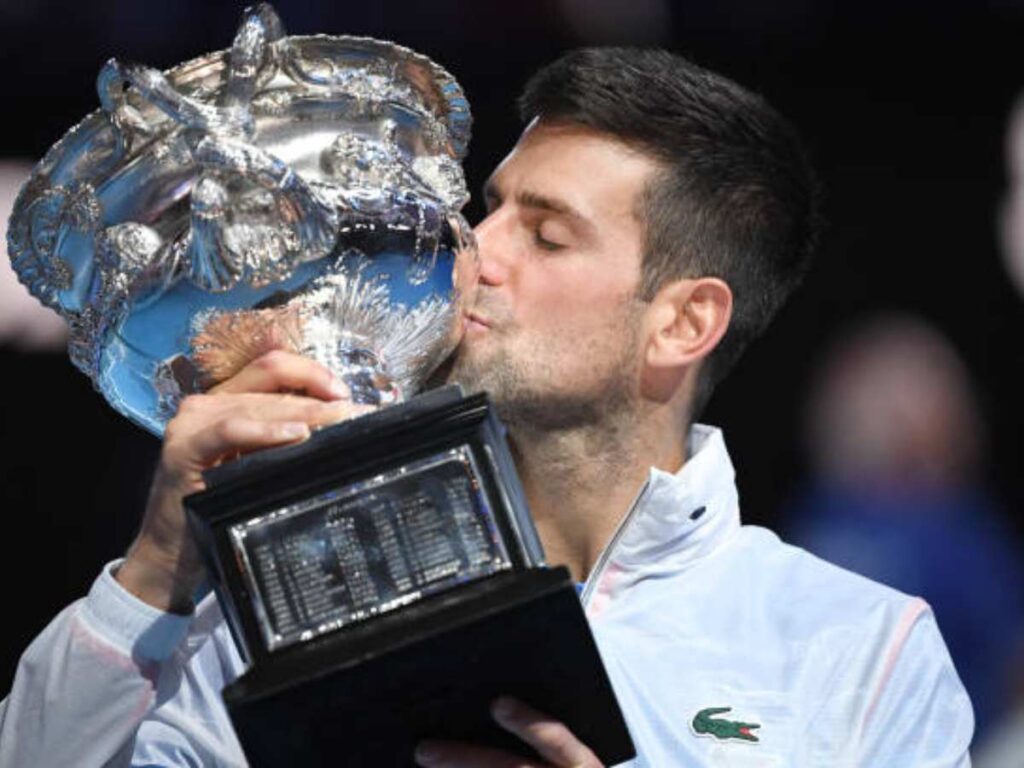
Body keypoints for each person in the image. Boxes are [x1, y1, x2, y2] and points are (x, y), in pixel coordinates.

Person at [0, 48, 973, 767]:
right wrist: (157, 573)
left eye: (544, 236)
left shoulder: (858, 650)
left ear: (682, 324)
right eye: (485, 209)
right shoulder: (296, 606)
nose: (473, 253)